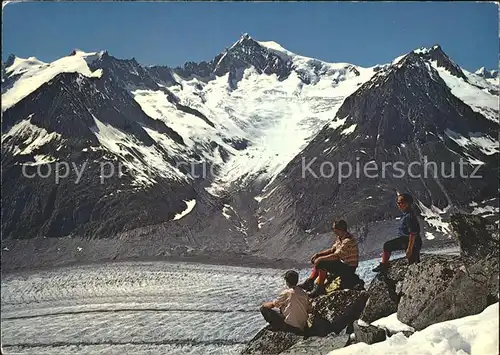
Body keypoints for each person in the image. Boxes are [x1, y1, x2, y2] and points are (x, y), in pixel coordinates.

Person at [297, 220, 359, 298]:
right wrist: (318, 255)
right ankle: (310, 281)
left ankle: (320, 287)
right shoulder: (340, 238)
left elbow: (336, 256)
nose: (333, 230)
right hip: (343, 264)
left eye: (334, 228)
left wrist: (320, 259)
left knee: (322, 263)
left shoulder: (347, 241)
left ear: (339, 229)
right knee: (320, 260)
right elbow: (332, 250)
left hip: (349, 268)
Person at [372, 193, 422, 273]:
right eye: (398, 203)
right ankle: (384, 265)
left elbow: (413, 233)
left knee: (388, 245)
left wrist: (409, 248)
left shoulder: (409, 216)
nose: (398, 205)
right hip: (408, 240)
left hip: (411, 241)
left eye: (400, 202)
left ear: (407, 203)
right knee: (412, 262)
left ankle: (384, 265)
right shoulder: (406, 214)